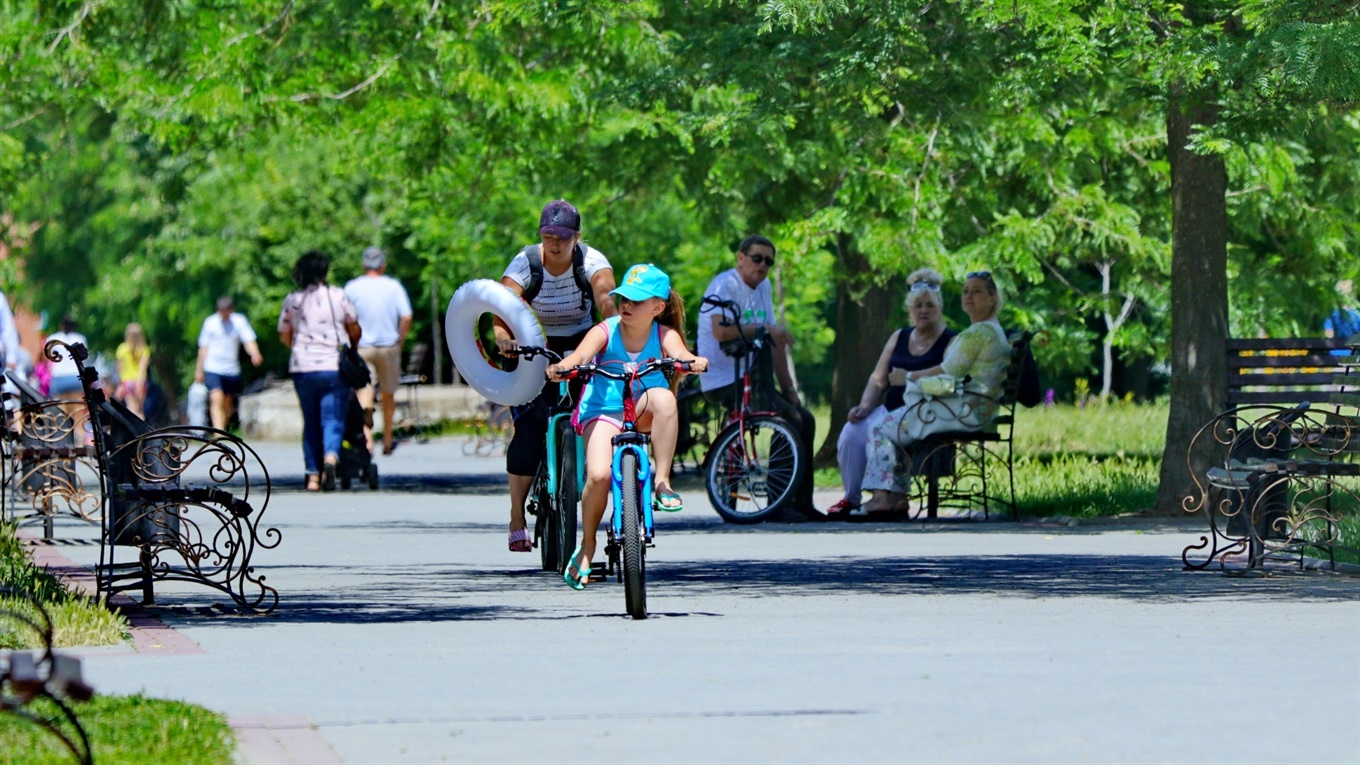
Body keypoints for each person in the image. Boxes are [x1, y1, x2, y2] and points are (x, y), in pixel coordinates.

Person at [546, 264, 708, 589]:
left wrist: (691, 362)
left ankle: (662, 482)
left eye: (637, 300)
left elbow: (681, 354)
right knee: (599, 475)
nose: (627, 305)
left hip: (643, 406)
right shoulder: (605, 330)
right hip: (604, 410)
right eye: (624, 298)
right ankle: (588, 545)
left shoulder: (664, 334)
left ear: (658, 308)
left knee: (664, 399)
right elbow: (579, 356)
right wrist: (564, 367)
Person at [496, 199, 617, 552]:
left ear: (577, 237)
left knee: (592, 416)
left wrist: (612, 330)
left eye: (563, 236)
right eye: (548, 234)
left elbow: (605, 297)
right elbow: (502, 307)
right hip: (535, 341)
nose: (555, 242)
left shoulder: (592, 262)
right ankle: (517, 515)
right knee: (531, 425)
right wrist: (504, 339)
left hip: (581, 340)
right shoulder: (527, 262)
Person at [858, 271, 1012, 515]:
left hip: (963, 413)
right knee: (896, 421)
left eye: (977, 291)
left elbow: (948, 373)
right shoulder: (990, 330)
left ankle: (881, 497)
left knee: (881, 426)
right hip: (976, 410)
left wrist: (907, 379)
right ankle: (897, 498)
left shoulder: (979, 332)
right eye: (966, 291)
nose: (969, 296)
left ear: (993, 298)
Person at [696, 235, 821, 522]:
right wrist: (766, 328)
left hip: (751, 377)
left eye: (768, 261)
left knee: (804, 417)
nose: (763, 265)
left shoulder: (763, 286)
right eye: (757, 258)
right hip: (722, 379)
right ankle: (780, 504)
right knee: (789, 419)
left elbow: (774, 341)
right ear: (741, 258)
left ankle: (800, 502)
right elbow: (722, 332)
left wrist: (789, 389)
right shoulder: (725, 285)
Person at [827, 269, 956, 517]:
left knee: (886, 429)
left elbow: (948, 376)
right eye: (918, 305)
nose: (924, 310)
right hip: (889, 409)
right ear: (910, 309)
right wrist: (865, 406)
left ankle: (887, 498)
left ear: (939, 308)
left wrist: (909, 377)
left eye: (930, 305)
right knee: (851, 433)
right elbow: (878, 377)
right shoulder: (900, 336)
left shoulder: (950, 340)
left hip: (922, 413)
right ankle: (851, 499)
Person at [278, 251, 362, 492]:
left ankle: (313, 477)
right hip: (333, 367)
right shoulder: (337, 296)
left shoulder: (293, 300)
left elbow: (284, 334)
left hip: (303, 368)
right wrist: (351, 347)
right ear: (325, 272)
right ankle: (331, 459)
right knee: (333, 418)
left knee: (311, 421)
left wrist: (300, 348)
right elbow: (354, 327)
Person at [344, 246, 413, 456]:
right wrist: (400, 340)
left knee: (364, 391)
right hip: (388, 346)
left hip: (362, 346)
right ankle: (388, 439)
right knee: (388, 394)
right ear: (383, 265)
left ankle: (367, 439)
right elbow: (407, 316)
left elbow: (345, 318)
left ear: (364, 265)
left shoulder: (352, 287)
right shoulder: (394, 286)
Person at [195, 296, 264, 430]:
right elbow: (203, 348)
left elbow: (248, 340)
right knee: (216, 398)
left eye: (226, 311)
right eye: (222, 311)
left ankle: (223, 426)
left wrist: (255, 354)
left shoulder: (239, 322)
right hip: (213, 367)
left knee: (227, 402)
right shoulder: (210, 323)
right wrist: (199, 370)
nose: (224, 314)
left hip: (231, 369)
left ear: (231, 310)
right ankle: (218, 432)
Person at [46, 316, 89, 403]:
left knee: (62, 410)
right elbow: (85, 360)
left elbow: (47, 359)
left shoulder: (53, 339)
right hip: (76, 377)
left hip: (59, 377)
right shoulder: (80, 339)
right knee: (75, 410)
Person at [114, 323, 152, 418]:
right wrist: (140, 382)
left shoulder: (122, 349)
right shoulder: (144, 349)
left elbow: (120, 369)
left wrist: (120, 385)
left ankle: (133, 432)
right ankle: (142, 432)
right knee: (140, 410)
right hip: (139, 382)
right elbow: (143, 368)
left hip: (127, 383)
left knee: (131, 410)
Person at [1323, 279, 1360, 356]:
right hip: (1351, 357)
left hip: (1334, 357)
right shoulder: (1356, 315)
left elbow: (1329, 335)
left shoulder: (1332, 314)